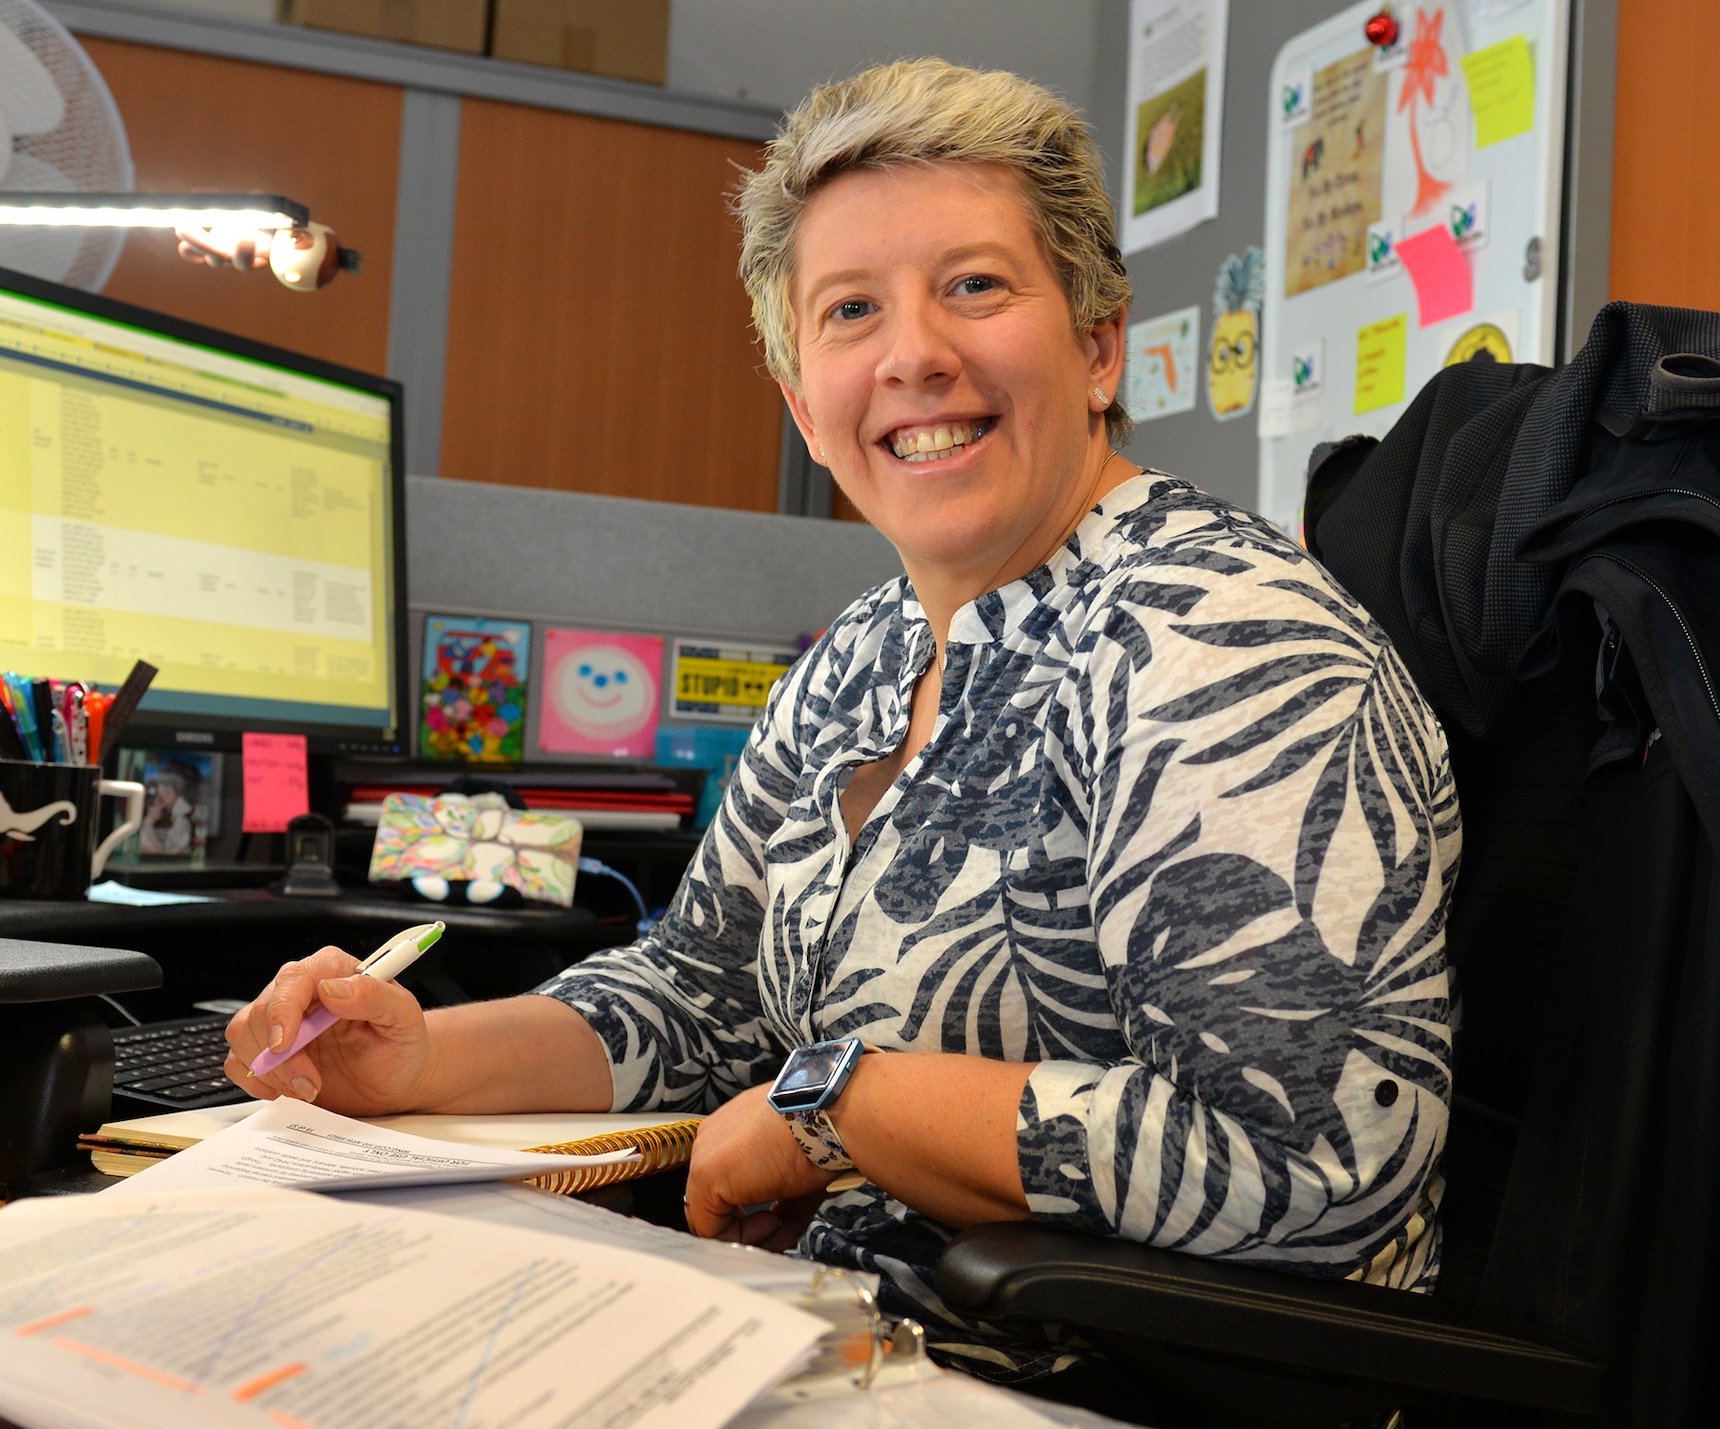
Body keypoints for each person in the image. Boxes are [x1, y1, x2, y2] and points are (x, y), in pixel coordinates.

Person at [224, 59, 1460, 1384]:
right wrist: (419, 1056)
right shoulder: (863, 658)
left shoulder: (1218, 636)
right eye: (851, 310)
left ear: (1097, 342)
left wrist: (841, 1110)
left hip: (1115, 1384)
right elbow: (701, 991)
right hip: (835, 1332)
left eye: (974, 286)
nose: (915, 353)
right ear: (808, 408)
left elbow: (1314, 1161)